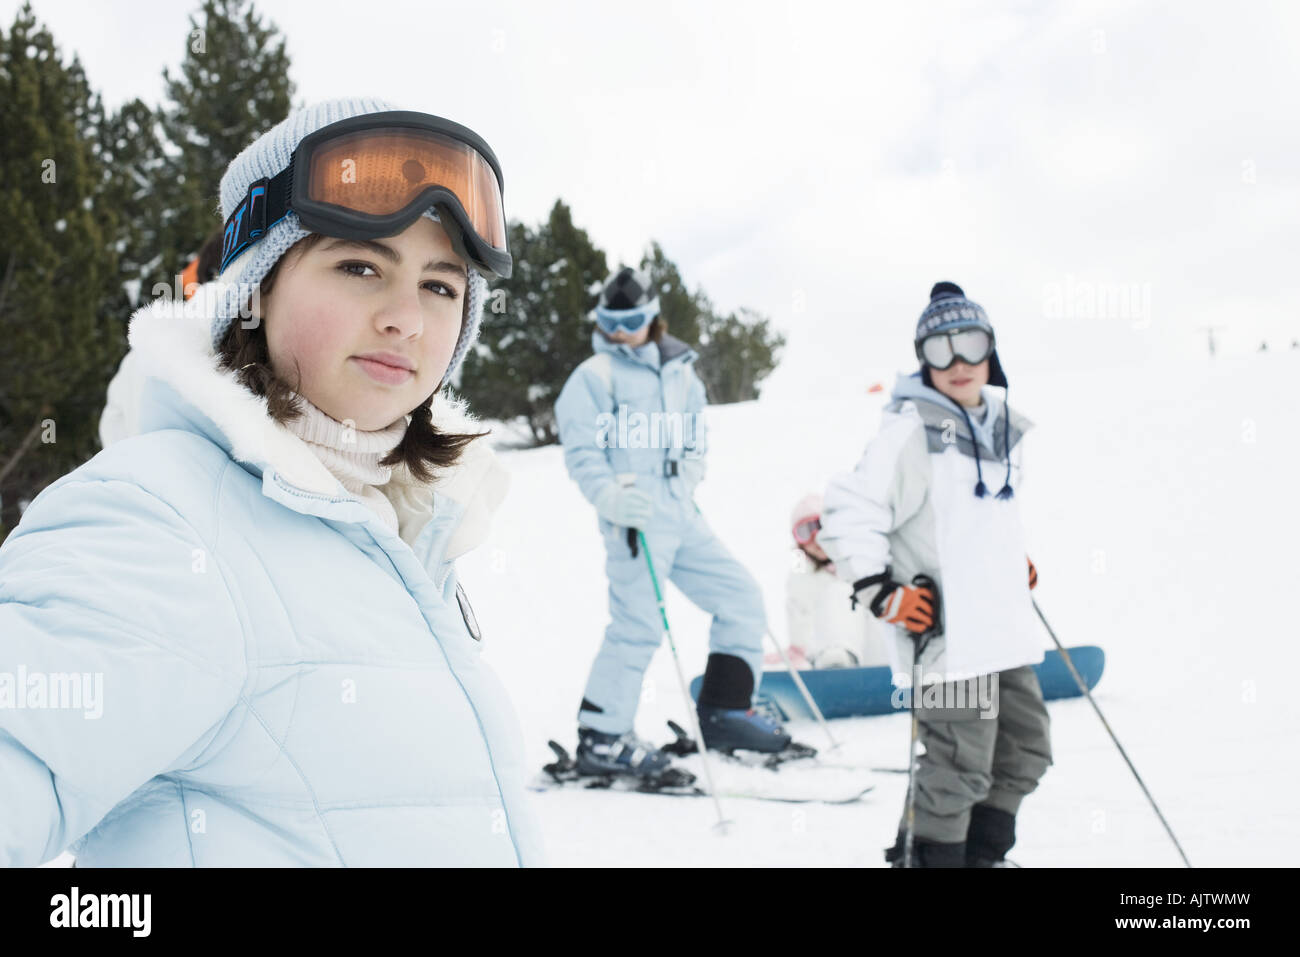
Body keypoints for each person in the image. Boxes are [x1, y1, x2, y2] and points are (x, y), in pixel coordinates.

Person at [0, 98, 544, 866]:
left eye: (441, 286)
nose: (406, 319)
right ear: (255, 290)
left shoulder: (400, 524)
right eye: (360, 266)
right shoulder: (158, 522)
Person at [820, 281, 1050, 868]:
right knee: (957, 767)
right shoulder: (909, 430)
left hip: (1001, 632)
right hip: (950, 640)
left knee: (1024, 749)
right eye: (939, 349)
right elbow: (850, 511)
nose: (958, 363)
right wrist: (880, 592)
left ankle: (980, 856)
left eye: (970, 343)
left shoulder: (998, 424)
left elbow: (972, 516)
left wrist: (1008, 560)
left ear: (990, 348)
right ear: (922, 357)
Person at [553, 266, 790, 775]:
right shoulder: (595, 377)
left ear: (653, 316)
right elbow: (582, 453)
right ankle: (603, 735)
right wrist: (610, 497)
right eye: (610, 321)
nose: (620, 332)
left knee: (741, 598)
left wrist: (690, 473)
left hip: (681, 511)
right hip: (634, 518)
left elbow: (696, 434)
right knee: (638, 625)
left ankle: (725, 711)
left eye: (632, 319)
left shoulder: (681, 370)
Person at [783, 492, 887, 669]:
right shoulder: (801, 576)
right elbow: (799, 620)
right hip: (821, 656)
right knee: (838, 592)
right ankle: (835, 658)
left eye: (821, 527)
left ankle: (843, 656)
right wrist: (797, 654)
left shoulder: (862, 563)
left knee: (844, 592)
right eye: (805, 532)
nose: (816, 538)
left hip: (875, 652)